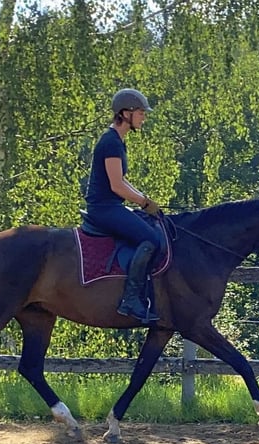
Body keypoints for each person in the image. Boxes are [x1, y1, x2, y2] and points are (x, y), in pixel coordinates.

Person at [84, 88, 162, 323]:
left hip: (110, 206)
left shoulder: (117, 141)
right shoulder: (111, 143)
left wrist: (144, 198)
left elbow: (122, 180)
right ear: (126, 113)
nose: (143, 117)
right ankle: (130, 299)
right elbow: (117, 186)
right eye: (140, 112)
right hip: (104, 209)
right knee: (152, 240)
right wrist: (144, 202)